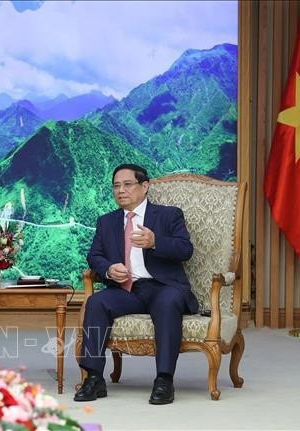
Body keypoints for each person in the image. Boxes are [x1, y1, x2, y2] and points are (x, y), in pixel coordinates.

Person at [74, 163, 198, 405]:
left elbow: (186, 249)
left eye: (127, 184)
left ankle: (164, 379)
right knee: (97, 302)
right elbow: (94, 256)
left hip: (163, 287)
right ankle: (94, 377)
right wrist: (108, 269)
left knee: (168, 301)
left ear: (145, 186)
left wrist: (155, 242)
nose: (121, 190)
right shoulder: (106, 222)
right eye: (116, 186)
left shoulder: (168, 215)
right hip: (127, 290)